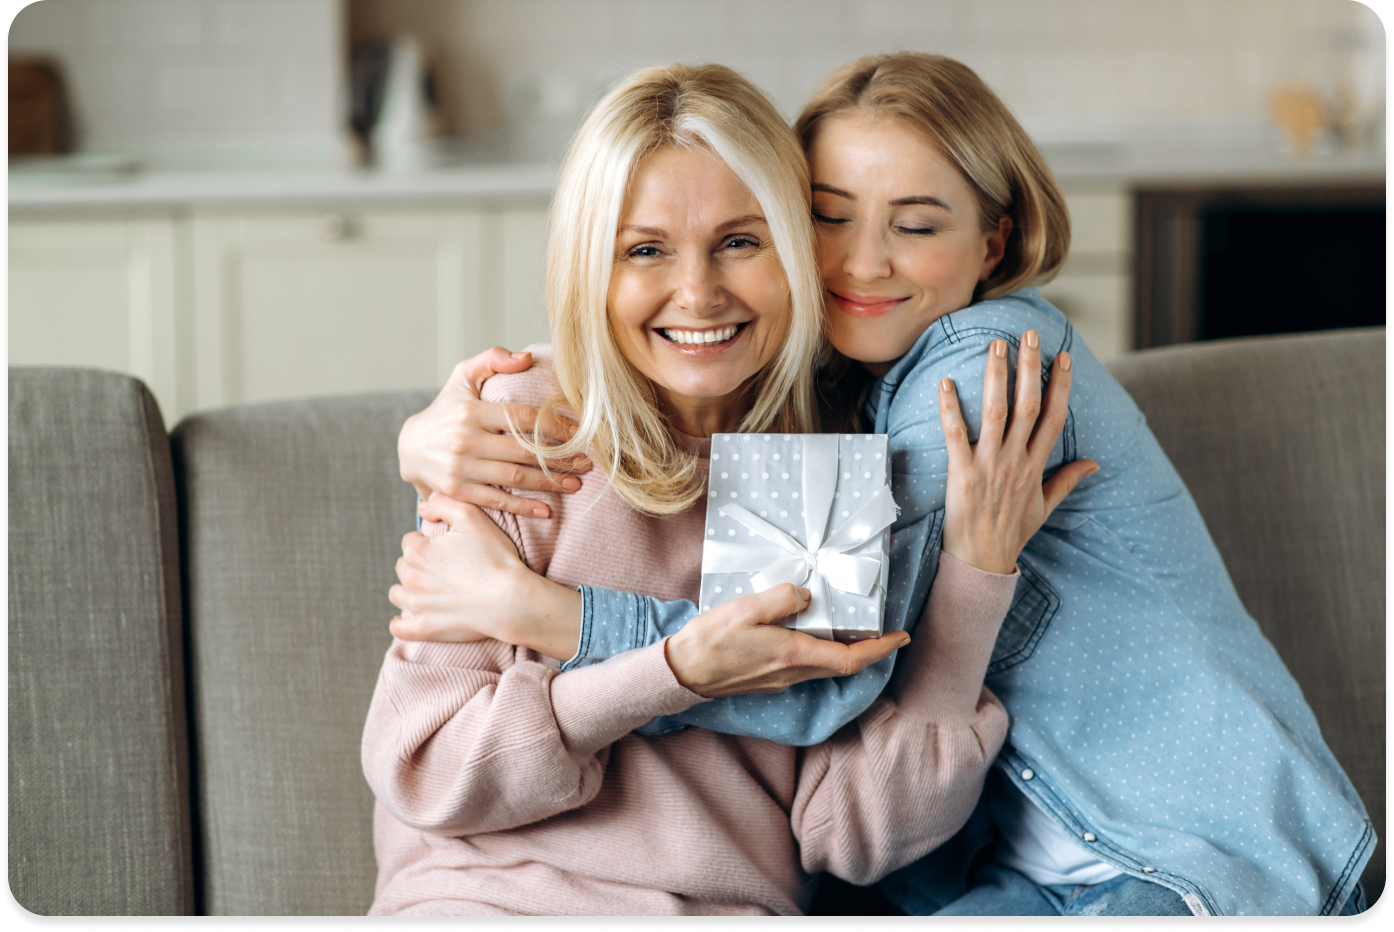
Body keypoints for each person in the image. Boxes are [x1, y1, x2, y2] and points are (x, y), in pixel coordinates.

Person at [396, 53, 1371, 917]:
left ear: (990, 242)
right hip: (1030, 864)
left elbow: (823, 670)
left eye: (740, 240)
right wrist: (423, 434)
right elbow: (430, 759)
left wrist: (552, 615)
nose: (861, 261)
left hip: (1178, 853)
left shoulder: (949, 382)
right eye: (828, 218)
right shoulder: (540, 422)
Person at [365, 62, 1090, 917]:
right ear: (590, 269)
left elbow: (855, 836)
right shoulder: (521, 429)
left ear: (795, 251)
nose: (698, 292)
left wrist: (973, 575)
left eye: (741, 242)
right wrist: (670, 673)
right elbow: (430, 770)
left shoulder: (815, 471)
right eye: (645, 250)